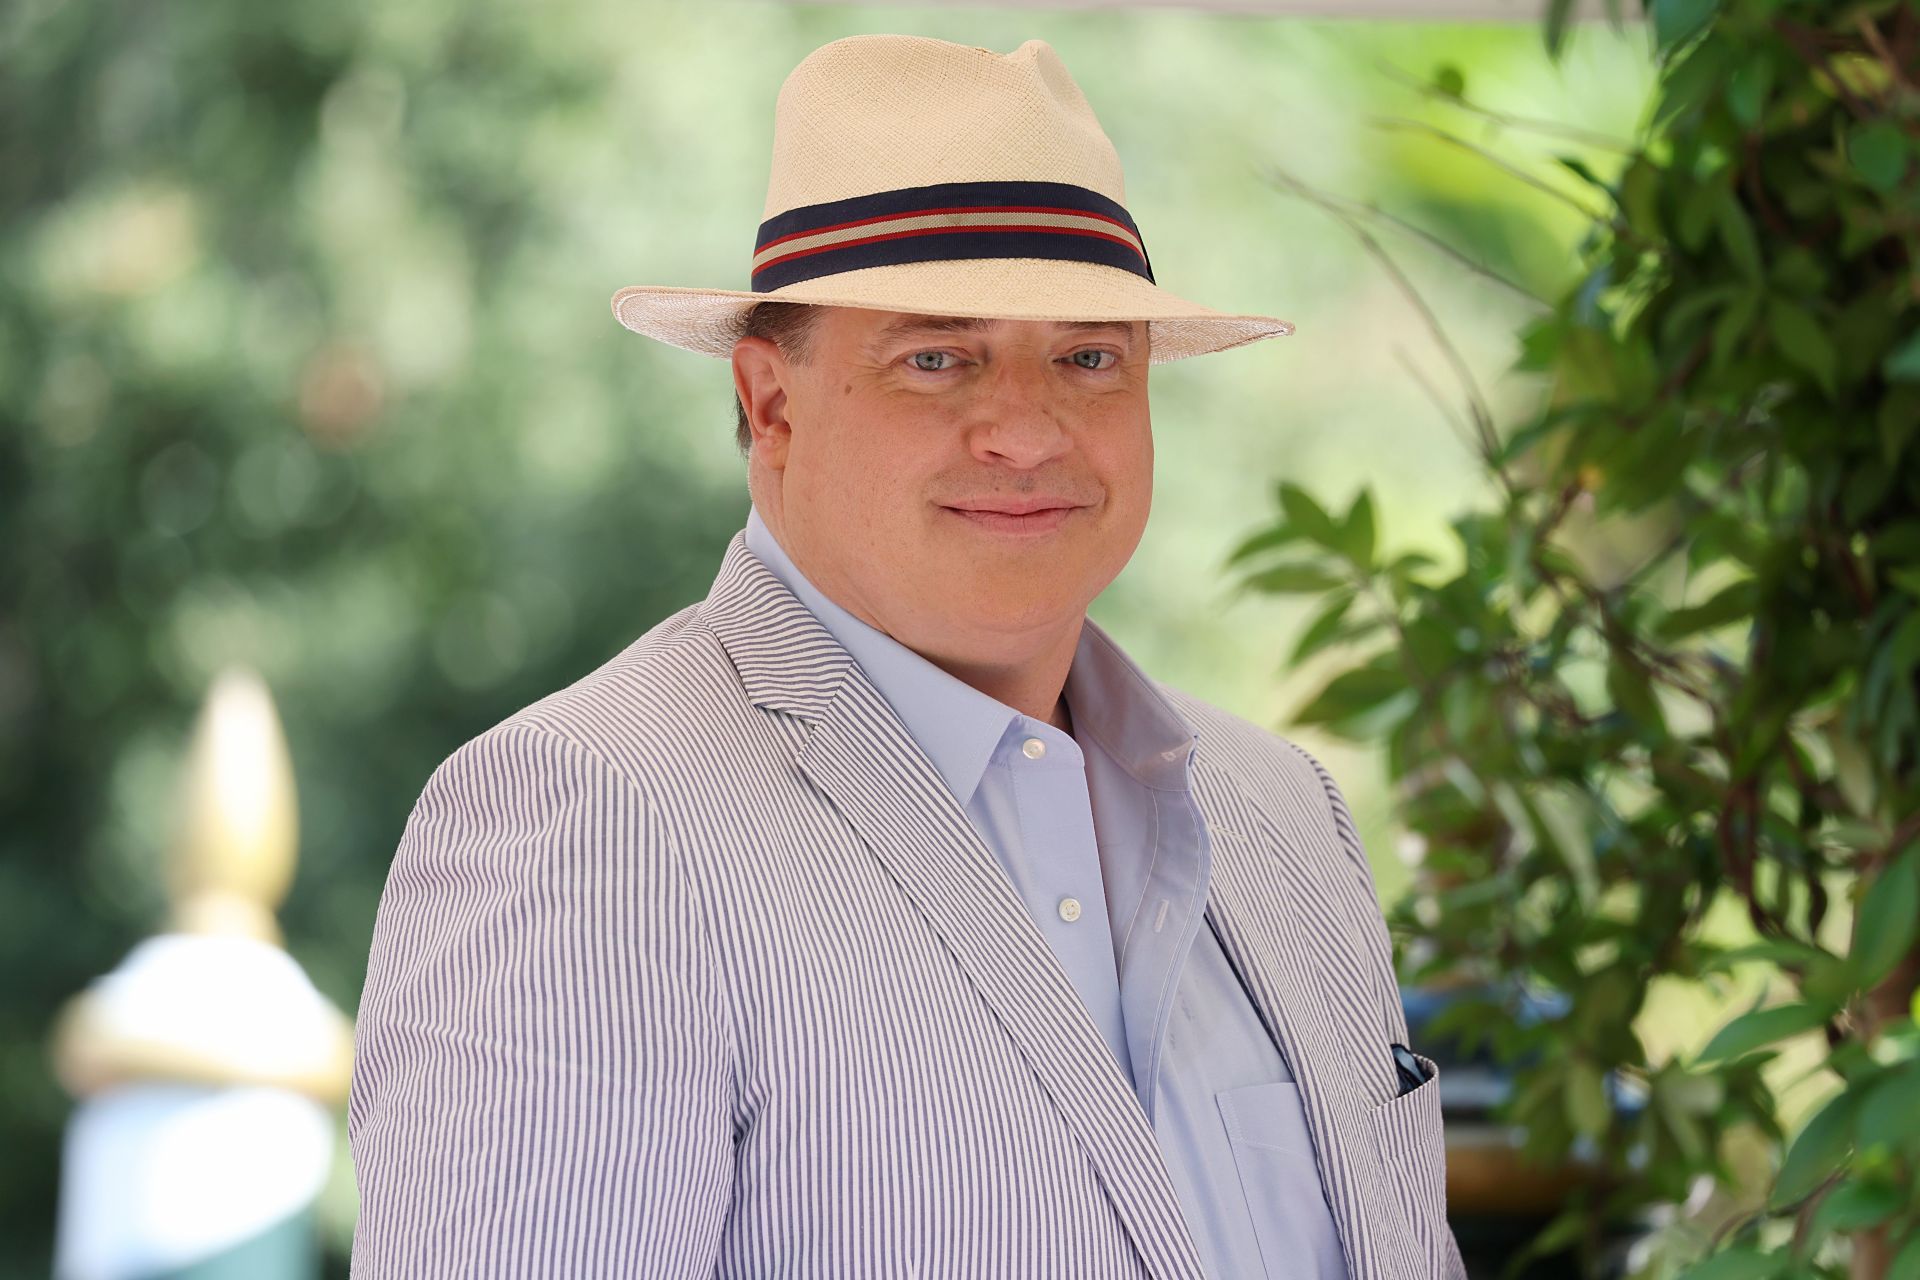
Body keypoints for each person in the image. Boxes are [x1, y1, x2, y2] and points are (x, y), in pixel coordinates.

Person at [347, 32, 1466, 1280]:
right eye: (938, 358)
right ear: (771, 405)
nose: (1028, 431)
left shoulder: (1285, 816)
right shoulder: (593, 822)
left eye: (1090, 357)